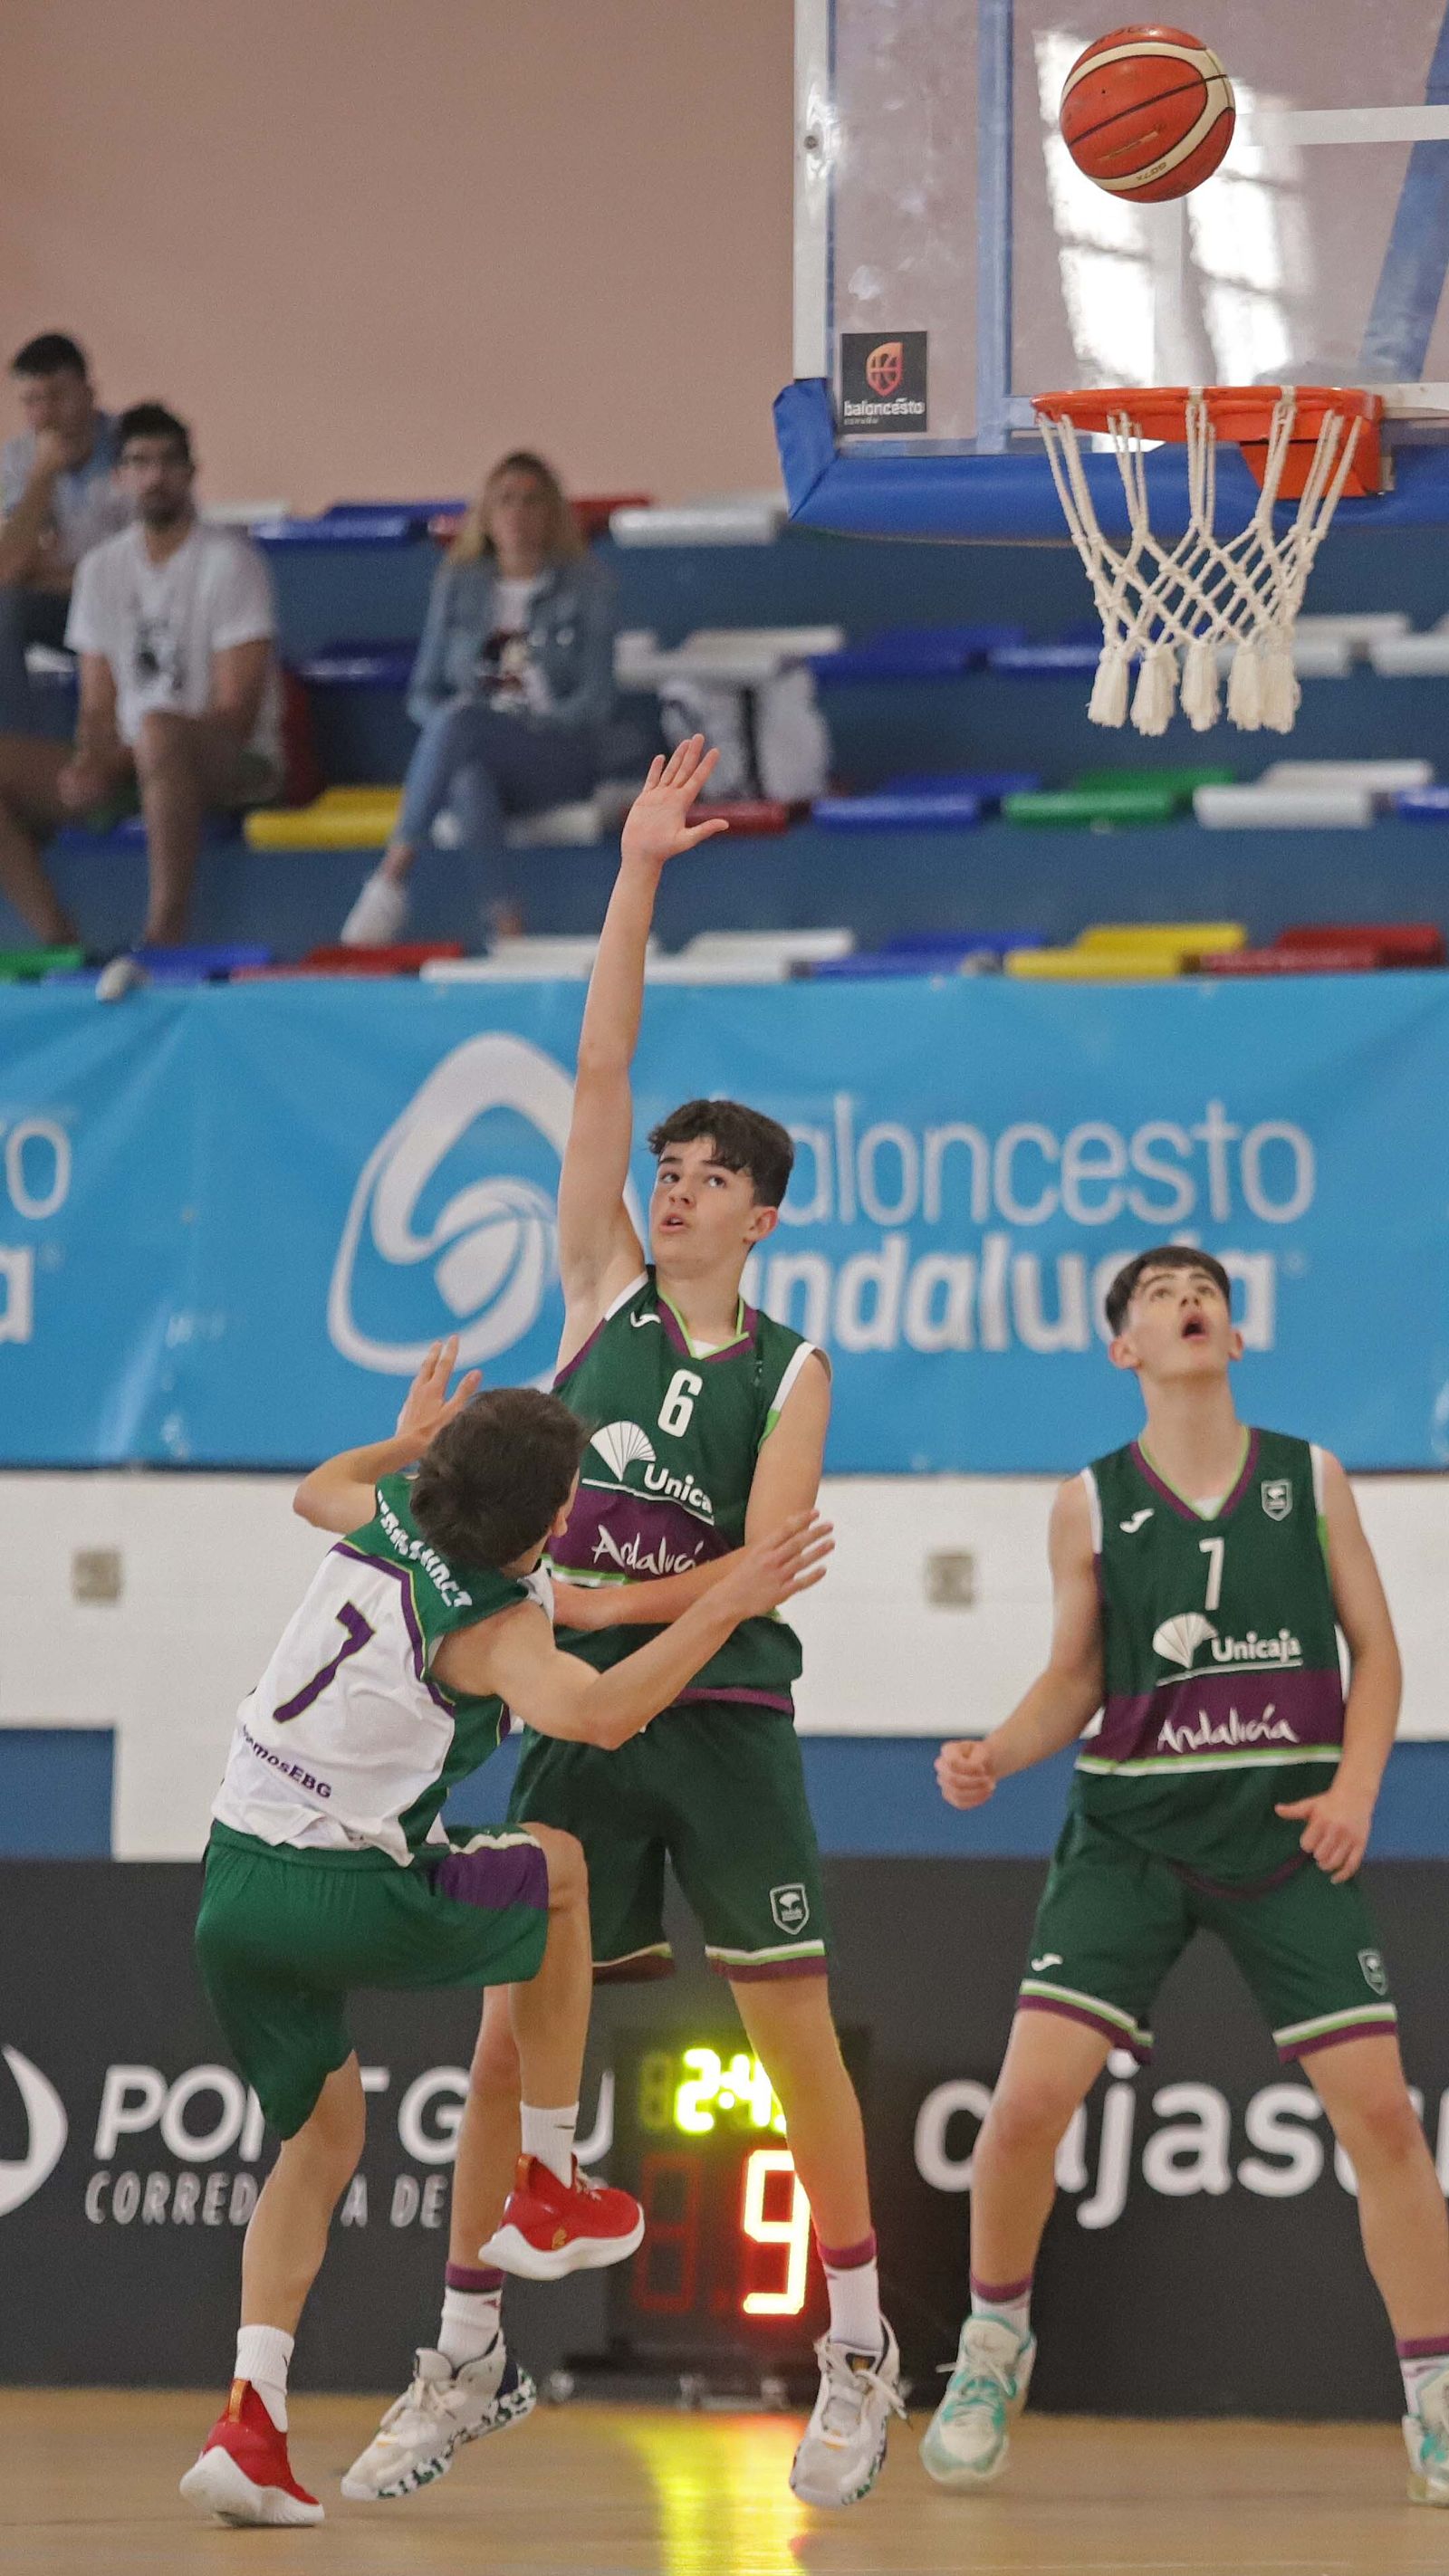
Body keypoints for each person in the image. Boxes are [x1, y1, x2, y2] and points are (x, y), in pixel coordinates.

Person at [348, 739, 903, 2515]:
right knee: (509, 2037)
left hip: (725, 1723)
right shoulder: (593, 1296)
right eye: (663, 1169)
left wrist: (620, 1592)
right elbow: (596, 1057)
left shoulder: (794, 1363)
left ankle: (856, 2349)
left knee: (789, 2036)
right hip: (581, 1703)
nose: (669, 1187)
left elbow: (765, 1555)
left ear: (762, 1212)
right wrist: (640, 870)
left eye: (705, 1177)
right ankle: (464, 2356)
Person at [181, 1337, 830, 2528]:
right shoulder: (487, 1626)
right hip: (343, 1889)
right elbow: (602, 1711)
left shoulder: (382, 1513)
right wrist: (732, 1597)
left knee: (320, 2138)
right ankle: (548, 2174)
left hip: (230, 1886)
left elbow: (313, 1482)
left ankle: (251, 2416)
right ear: (554, 1513)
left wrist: (414, 1440)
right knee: (565, 1871)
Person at [922, 1245, 1449, 2508]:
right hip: (1132, 1838)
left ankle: (1434, 2390)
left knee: (1383, 2118)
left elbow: (1377, 1655)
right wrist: (997, 1748)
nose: (1182, 1300)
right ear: (1126, 1349)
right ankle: (993, 2347)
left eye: (1198, 1288)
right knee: (1024, 2112)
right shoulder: (1089, 1501)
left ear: (1234, 1331)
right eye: (1155, 1295)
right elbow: (1075, 1676)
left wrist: (1361, 1786)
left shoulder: (1308, 1477)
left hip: (1283, 1830)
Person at [0, 401, 282, 953]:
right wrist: (90, 760)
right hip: (133, 759)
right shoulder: (102, 569)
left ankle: (163, 937)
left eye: (168, 462)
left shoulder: (231, 562)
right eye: (139, 462)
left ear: (191, 474)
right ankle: (58, 940)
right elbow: (97, 707)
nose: (154, 476)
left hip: (229, 760)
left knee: (157, 731)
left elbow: (236, 714)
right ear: (120, 478)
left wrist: (122, 755)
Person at [340, 450, 615, 946]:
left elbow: (595, 701)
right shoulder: (458, 584)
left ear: (553, 514)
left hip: (558, 751)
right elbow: (422, 694)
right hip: (477, 745)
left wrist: (525, 725)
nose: (518, 514)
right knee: (467, 774)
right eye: (505, 501)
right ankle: (509, 929)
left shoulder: (587, 585)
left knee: (463, 726)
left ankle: (392, 877)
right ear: (485, 515)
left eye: (532, 502)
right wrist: (461, 723)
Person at [0, 333, 130, 738]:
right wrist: (42, 478)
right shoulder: (21, 459)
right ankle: (18, 752)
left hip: (129, 612)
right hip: (65, 608)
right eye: (31, 401)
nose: (43, 415)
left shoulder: (134, 452)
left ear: (89, 393)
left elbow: (134, 578)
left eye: (56, 397)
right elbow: (8, 570)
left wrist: (43, 572)